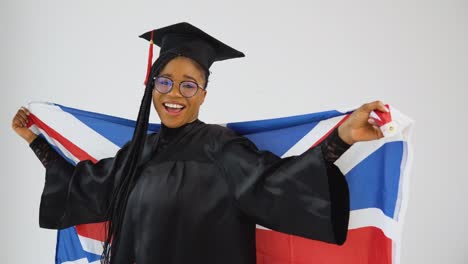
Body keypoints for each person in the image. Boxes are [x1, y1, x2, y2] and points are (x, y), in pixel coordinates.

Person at [11, 22, 388, 264]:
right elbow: (87, 189)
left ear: (204, 94)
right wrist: (35, 140)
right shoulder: (137, 152)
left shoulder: (220, 147)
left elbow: (277, 186)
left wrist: (342, 137)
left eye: (188, 84)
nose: (174, 93)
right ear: (151, 86)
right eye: (165, 81)